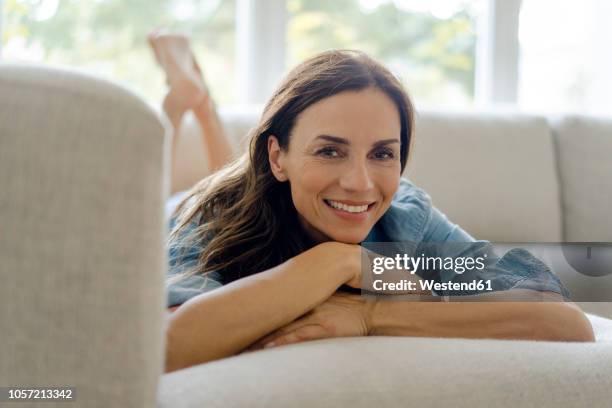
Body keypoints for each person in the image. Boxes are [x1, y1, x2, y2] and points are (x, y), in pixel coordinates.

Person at [147, 31, 595, 374]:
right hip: (196, 206)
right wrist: (336, 262)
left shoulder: (406, 217)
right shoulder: (207, 222)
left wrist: (372, 312)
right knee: (193, 186)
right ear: (278, 155)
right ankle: (196, 104)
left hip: (261, 189)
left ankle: (199, 98)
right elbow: (166, 348)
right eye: (329, 150)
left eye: (382, 154)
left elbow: (564, 320)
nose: (360, 184)